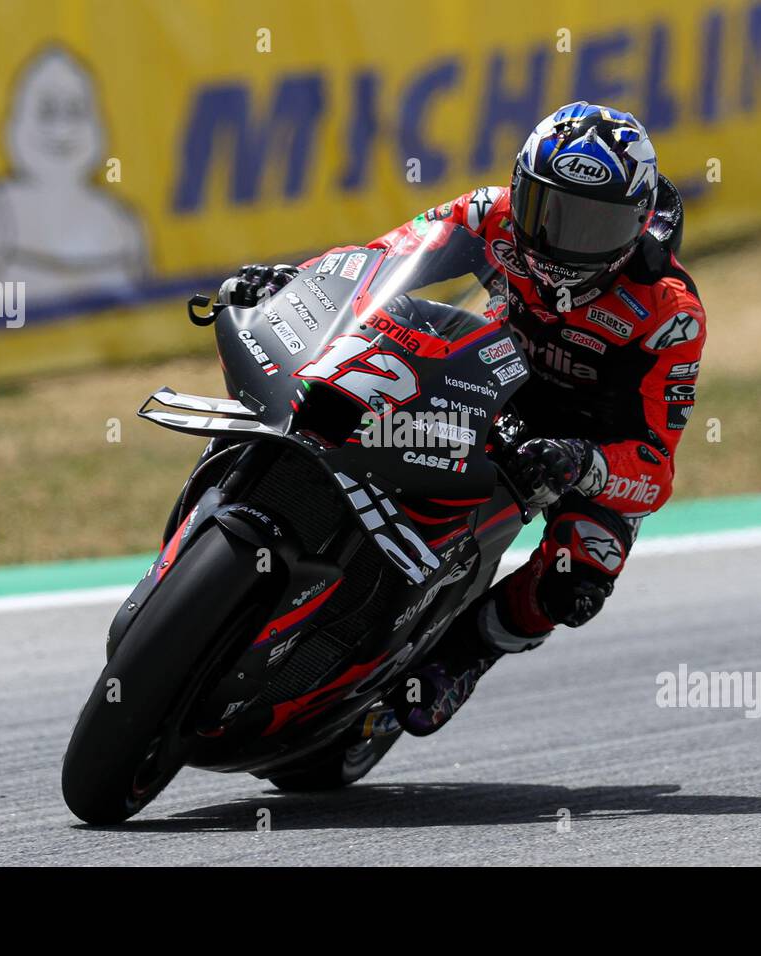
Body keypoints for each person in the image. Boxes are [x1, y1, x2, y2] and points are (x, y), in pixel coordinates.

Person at [220, 102, 706, 736]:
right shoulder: (487, 214)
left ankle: (466, 652)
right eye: (548, 210)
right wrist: (298, 285)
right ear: (520, 188)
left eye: (593, 225)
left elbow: (654, 464)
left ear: (637, 226)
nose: (562, 239)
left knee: (578, 579)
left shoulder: (669, 313)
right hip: (486, 378)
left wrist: (585, 465)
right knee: (337, 401)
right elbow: (378, 263)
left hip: (585, 441)